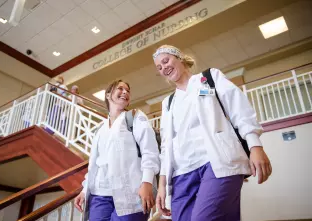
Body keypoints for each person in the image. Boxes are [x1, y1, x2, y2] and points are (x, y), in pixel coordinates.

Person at [153, 45, 272, 221]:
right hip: (181, 174)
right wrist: (162, 184)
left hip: (216, 163)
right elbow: (166, 145)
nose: (164, 68)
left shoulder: (207, 80)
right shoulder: (168, 103)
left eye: (166, 61)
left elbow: (237, 107)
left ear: (179, 58)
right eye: (159, 67)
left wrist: (255, 145)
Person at [74, 80, 160, 221]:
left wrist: (147, 182)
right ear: (108, 95)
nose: (125, 92)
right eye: (120, 88)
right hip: (99, 194)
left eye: (128, 90)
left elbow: (149, 151)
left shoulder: (135, 116)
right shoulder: (99, 129)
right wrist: (85, 190)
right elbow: (94, 165)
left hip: (131, 192)